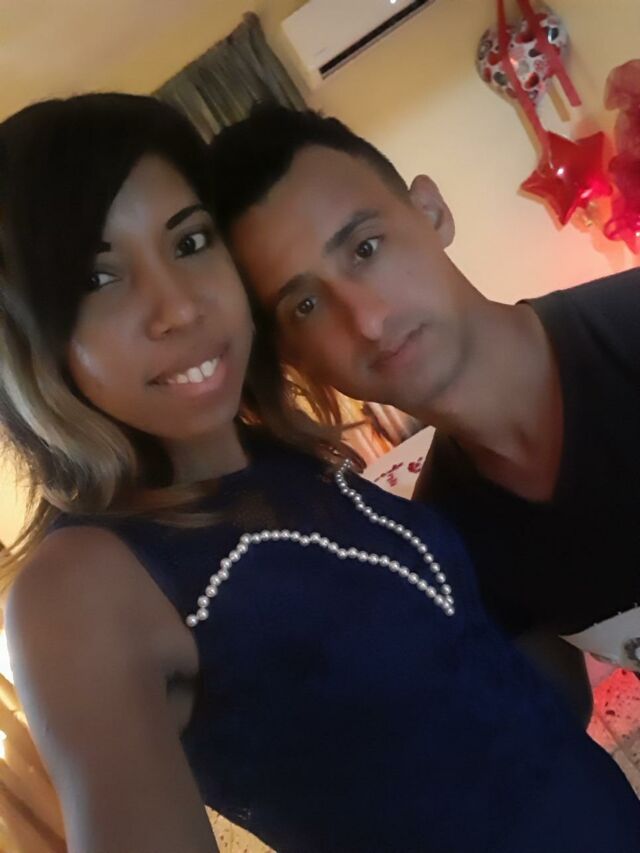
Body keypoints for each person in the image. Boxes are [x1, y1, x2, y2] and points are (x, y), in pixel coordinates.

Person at [2, 94, 639, 853]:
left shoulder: (302, 469)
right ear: (31, 337)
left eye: (190, 241)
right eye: (97, 280)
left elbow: (509, 699)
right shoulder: (78, 584)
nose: (178, 308)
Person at [209, 105, 640, 718]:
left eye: (366, 248)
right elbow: (547, 736)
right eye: (305, 305)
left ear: (432, 212)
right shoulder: (449, 541)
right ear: (295, 360)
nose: (367, 320)